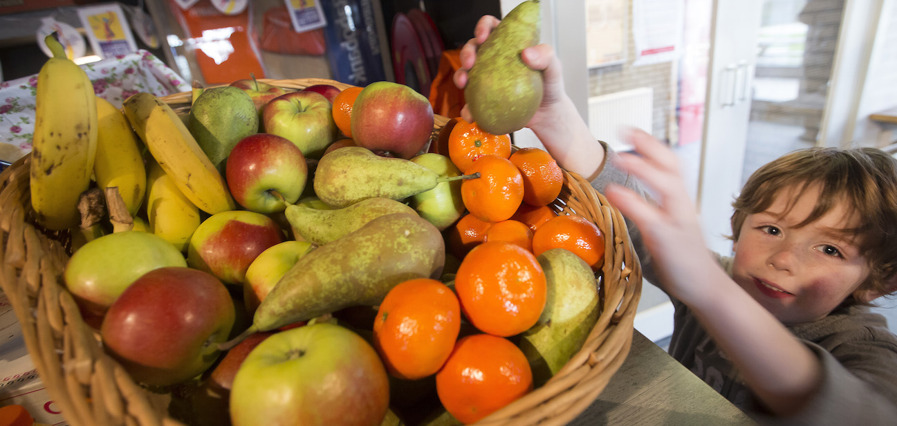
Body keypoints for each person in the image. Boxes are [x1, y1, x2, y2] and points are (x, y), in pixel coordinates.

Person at [454, 15, 897, 424]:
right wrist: (555, 119)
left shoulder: (863, 348)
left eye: (830, 249)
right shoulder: (727, 278)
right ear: (741, 224)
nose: (784, 259)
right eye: (772, 229)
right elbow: (641, 229)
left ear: (877, 280)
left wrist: (711, 291)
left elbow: (862, 413)